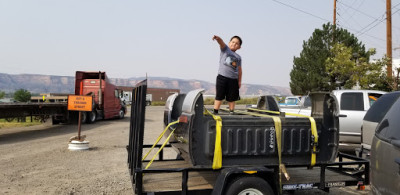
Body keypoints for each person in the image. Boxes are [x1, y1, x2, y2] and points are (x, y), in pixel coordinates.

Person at [212, 35, 242, 114]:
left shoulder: (238, 57)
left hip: (233, 79)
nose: (234, 44)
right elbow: (221, 43)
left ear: (239, 47)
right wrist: (218, 39)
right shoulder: (225, 50)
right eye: (233, 42)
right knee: (219, 95)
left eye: (237, 44)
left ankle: (231, 111)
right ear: (229, 43)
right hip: (222, 77)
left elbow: (239, 69)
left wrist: (239, 81)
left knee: (232, 97)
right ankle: (215, 111)